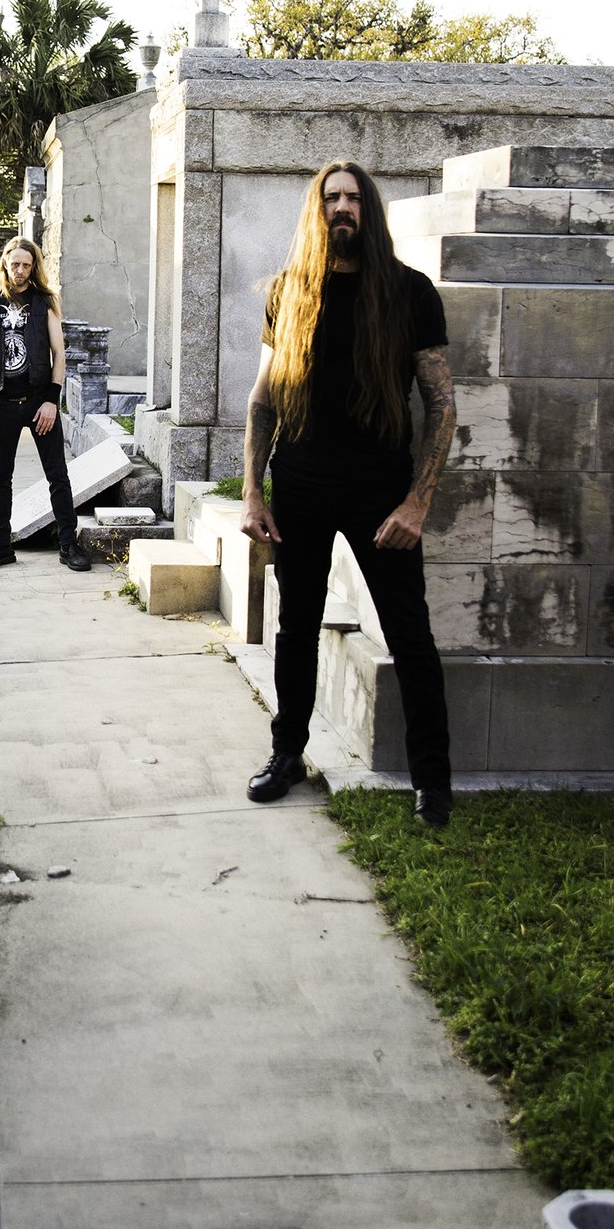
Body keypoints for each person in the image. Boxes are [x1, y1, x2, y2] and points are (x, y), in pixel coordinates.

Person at [239, 161, 458, 827]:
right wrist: (253, 491)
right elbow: (262, 402)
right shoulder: (289, 293)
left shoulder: (409, 293)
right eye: (332, 198)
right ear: (317, 209)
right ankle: (287, 757)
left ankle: (432, 781)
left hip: (380, 492)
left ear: (369, 210)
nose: (343, 209)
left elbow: (442, 405)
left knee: (410, 637)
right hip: (301, 486)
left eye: (353, 199)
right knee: (295, 629)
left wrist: (417, 503)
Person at [0, 237, 91, 573]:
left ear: (33, 266)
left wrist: (52, 401)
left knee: (57, 475)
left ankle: (68, 544)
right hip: (2, 402)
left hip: (39, 401)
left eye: (26, 264)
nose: (20, 270)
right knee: (1, 477)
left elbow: (59, 354)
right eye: (15, 263)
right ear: (5, 263)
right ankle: (0, 546)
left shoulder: (45, 302)